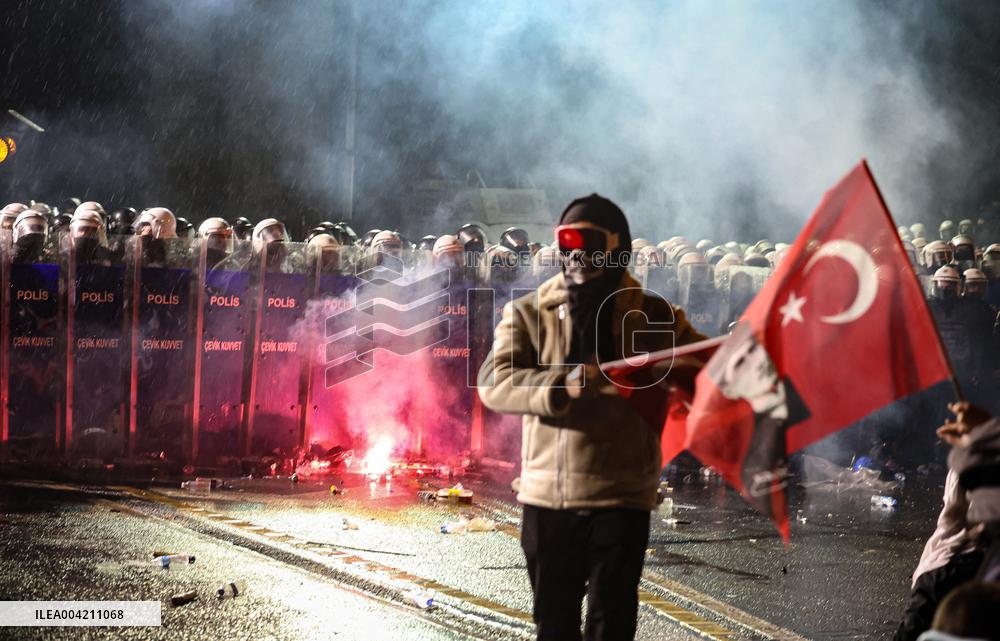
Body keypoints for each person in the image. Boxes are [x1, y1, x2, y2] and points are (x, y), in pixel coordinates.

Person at [477, 194, 706, 641]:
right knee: (555, 625)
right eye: (567, 241)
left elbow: (706, 369)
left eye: (589, 241)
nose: (577, 254)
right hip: (550, 499)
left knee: (611, 626)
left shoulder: (653, 313)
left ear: (616, 247)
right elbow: (493, 380)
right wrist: (557, 387)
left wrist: (676, 366)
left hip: (620, 497)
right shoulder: (529, 313)